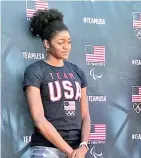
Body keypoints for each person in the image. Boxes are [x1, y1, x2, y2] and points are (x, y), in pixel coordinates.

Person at [23, 9, 91, 158]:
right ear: (46, 43)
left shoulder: (77, 72)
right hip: (46, 149)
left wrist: (83, 146)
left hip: (77, 150)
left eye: (69, 42)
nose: (66, 47)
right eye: (60, 42)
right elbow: (39, 119)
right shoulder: (35, 71)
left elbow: (85, 115)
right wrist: (70, 152)